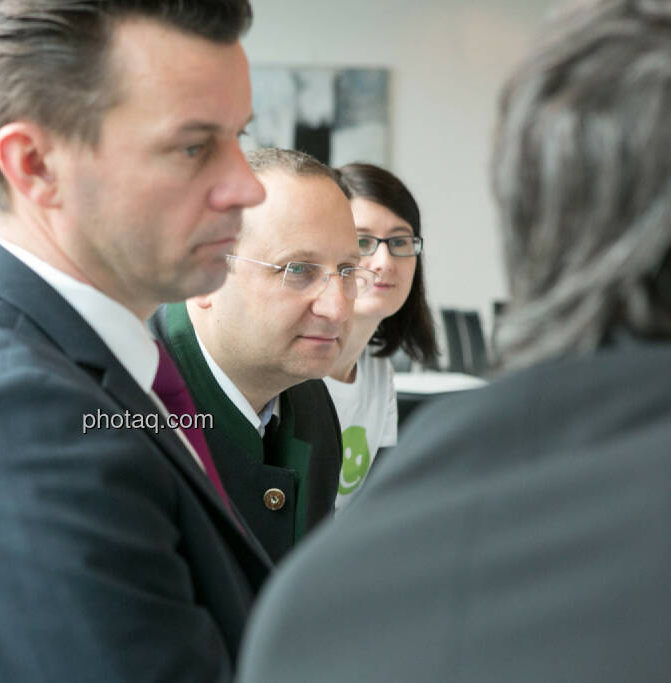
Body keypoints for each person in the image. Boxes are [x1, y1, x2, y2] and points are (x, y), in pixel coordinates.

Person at [237, 0, 671, 680]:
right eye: (352, 251)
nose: (377, 265)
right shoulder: (281, 394)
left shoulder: (335, 602)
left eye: (397, 244)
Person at [0, 2, 272, 681]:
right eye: (193, 146)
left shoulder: (69, 365)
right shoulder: (16, 427)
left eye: (239, 137)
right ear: (35, 164)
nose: (247, 185)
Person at [152, 148, 372, 561]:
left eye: (347, 271)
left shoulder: (309, 401)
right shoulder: (130, 408)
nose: (338, 308)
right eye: (299, 270)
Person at [323, 163, 438, 509]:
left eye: (400, 241)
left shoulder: (377, 371)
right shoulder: (293, 371)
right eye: (363, 241)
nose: (385, 261)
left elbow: (374, 505)